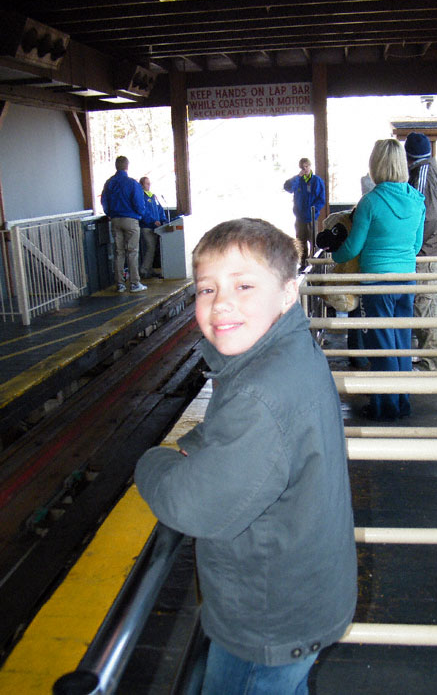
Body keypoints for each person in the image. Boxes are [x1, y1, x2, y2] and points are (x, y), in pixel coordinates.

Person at [135, 218, 357, 694]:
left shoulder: (261, 392)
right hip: (303, 597)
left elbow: (192, 505)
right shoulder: (289, 350)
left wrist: (151, 461)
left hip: (268, 623)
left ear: (287, 292)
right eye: (206, 289)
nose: (222, 304)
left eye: (244, 285)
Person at [331, 139, 425, 420]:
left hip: (376, 282)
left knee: (381, 344)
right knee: (401, 343)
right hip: (406, 281)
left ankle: (385, 408)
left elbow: (353, 247)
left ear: (377, 165)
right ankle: (402, 403)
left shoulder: (370, 202)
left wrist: (335, 256)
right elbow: (417, 246)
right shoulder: (417, 201)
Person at [405, 132, 437, 371]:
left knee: (425, 303)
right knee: (428, 302)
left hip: (427, 251)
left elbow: (427, 215)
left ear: (409, 156)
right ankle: (431, 357)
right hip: (435, 248)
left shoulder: (424, 173)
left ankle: (431, 361)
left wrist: (413, 246)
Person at [101, 156, 147, 293]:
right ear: (127, 166)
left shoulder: (109, 183)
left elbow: (104, 201)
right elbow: (139, 203)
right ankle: (134, 283)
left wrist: (110, 213)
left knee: (118, 252)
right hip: (130, 220)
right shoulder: (132, 183)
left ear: (116, 166)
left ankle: (120, 284)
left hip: (115, 220)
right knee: (132, 252)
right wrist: (140, 215)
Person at [284, 158, 326, 269]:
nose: (305, 169)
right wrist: (297, 177)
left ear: (310, 166)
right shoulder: (298, 181)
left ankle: (315, 266)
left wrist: (314, 210)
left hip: (311, 218)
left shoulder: (317, 181)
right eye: (303, 167)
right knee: (301, 243)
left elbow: (321, 199)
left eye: (307, 166)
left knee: (314, 242)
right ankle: (302, 265)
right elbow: (287, 187)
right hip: (299, 218)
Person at [139, 176, 167, 279]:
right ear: (142, 185)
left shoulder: (153, 196)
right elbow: (143, 212)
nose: (149, 185)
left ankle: (149, 269)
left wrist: (162, 219)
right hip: (147, 226)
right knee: (150, 248)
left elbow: (160, 209)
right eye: (146, 183)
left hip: (156, 227)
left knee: (153, 248)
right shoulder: (142, 197)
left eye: (149, 183)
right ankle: (144, 270)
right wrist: (152, 221)